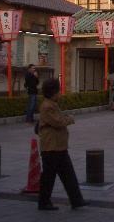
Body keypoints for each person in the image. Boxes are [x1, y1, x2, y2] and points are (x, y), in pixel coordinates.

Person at [37, 78, 87, 211]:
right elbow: (58, 122)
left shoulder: (53, 104)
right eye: (59, 90)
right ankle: (44, 202)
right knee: (49, 176)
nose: (60, 93)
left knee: (68, 174)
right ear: (54, 92)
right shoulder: (48, 106)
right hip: (51, 147)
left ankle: (76, 200)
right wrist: (69, 119)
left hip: (58, 146)